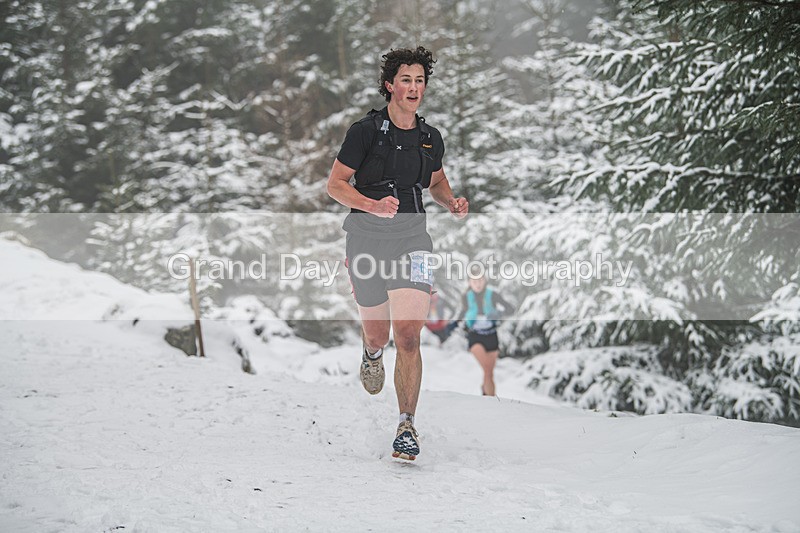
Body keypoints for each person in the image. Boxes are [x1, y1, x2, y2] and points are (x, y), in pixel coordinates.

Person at [326, 46, 469, 460]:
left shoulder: (430, 138)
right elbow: (336, 185)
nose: (414, 87)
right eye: (406, 79)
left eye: (420, 80)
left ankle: (406, 424)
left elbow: (436, 182)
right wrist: (371, 205)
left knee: (408, 335)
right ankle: (371, 352)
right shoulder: (365, 132)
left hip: (413, 240)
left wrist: (451, 201)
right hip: (366, 240)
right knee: (379, 334)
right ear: (390, 85)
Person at [450, 271, 513, 397]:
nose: (477, 284)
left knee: (489, 373)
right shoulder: (466, 297)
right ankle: (491, 398)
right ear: (469, 283)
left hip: (491, 335)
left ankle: (486, 393)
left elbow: (510, 309)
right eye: (474, 282)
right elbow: (463, 312)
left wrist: (498, 314)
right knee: (487, 369)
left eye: (480, 281)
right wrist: (453, 324)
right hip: (475, 336)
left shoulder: (493, 295)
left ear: (485, 281)